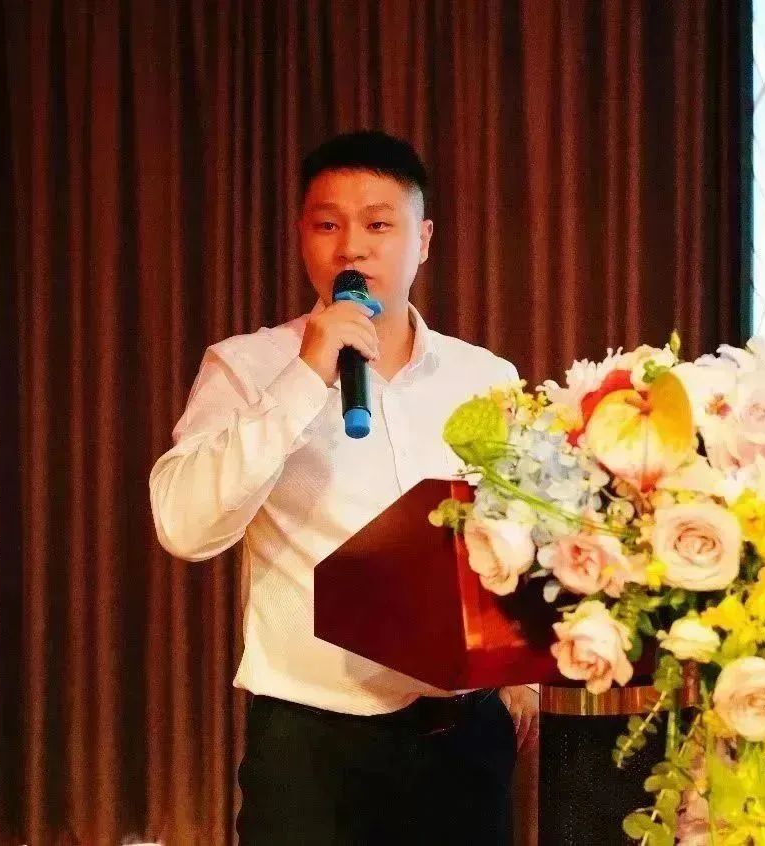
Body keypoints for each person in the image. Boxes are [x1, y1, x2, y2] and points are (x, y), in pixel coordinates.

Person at [149, 130, 538, 844]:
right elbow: (184, 527)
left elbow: (521, 531)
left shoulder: (484, 376)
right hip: (313, 748)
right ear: (302, 237)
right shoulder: (246, 366)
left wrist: (520, 669)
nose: (352, 249)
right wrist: (305, 376)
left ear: (423, 240)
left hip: (463, 742)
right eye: (328, 225)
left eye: (378, 225)